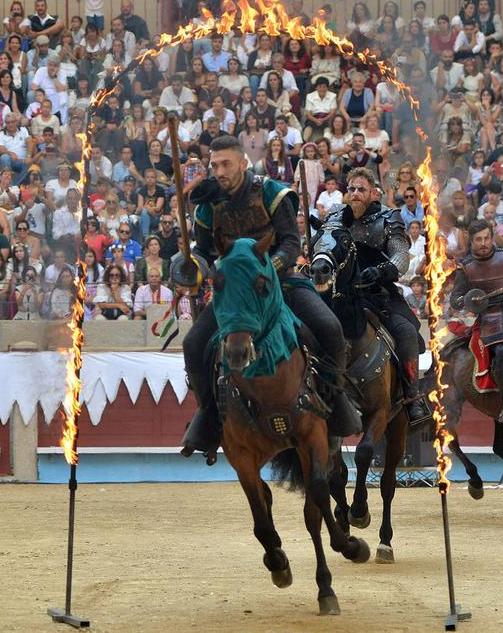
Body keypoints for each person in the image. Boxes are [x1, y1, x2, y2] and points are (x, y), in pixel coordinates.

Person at [176, 136, 361, 462]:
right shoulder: (207, 206)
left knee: (329, 327)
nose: (219, 172)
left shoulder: (272, 193)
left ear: (243, 163)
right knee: (193, 344)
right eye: (214, 165)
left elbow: (291, 244)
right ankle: (207, 414)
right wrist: (195, 267)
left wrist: (266, 271)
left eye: (225, 164)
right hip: (233, 293)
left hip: (278, 281)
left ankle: (336, 399)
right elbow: (203, 251)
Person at [324, 168, 431, 426]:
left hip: (376, 292)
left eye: (361, 189)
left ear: (373, 193)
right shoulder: (335, 217)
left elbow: (401, 258)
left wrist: (381, 271)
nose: (356, 194)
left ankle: (411, 398)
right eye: (351, 189)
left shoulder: (389, 216)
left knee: (405, 331)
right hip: (339, 294)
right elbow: (322, 246)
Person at [448, 219, 503, 425]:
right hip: (489, 318)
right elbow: (456, 299)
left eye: (487, 238)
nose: (483, 243)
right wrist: (469, 300)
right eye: (478, 239)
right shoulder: (466, 267)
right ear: (471, 241)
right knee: (502, 352)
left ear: (492, 237)